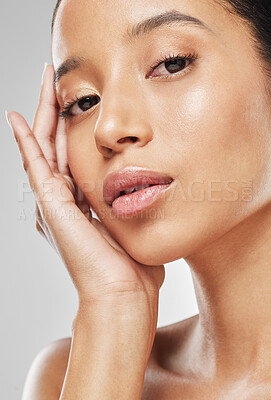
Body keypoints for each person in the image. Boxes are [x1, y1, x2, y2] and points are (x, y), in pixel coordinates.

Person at [6, 0, 271, 398]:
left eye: (171, 63)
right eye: (82, 101)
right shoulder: (70, 374)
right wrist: (111, 308)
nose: (107, 128)